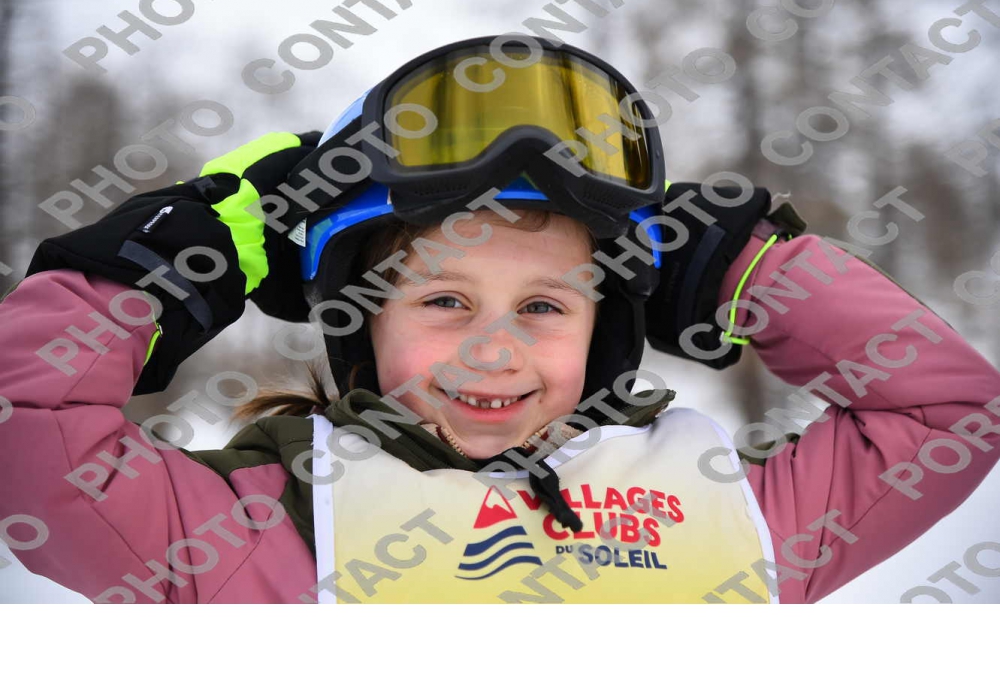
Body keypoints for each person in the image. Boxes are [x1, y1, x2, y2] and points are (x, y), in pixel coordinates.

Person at [2, 35, 999, 604]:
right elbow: (30, 430)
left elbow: (945, 413)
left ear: (609, 323)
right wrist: (164, 264)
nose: (495, 346)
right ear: (360, 320)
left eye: (543, 305)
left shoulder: (736, 509)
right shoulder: (249, 528)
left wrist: (747, 271)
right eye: (444, 300)